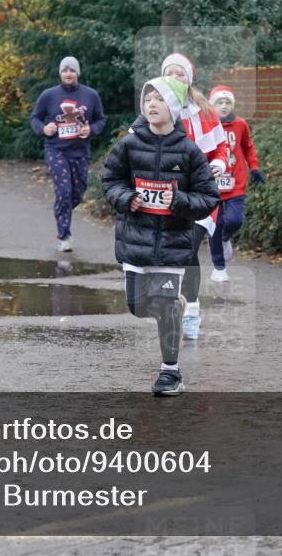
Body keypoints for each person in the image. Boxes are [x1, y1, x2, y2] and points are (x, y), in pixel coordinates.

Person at [103, 76, 220, 395]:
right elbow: (110, 180)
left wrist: (180, 202)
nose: (151, 104)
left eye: (159, 98)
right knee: (137, 307)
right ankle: (174, 310)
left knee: (166, 305)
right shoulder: (128, 145)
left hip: (171, 244)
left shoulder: (190, 152)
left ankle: (171, 372)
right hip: (135, 242)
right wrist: (126, 198)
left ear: (172, 107)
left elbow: (209, 197)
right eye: (147, 98)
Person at [159, 52, 229, 340]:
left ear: (189, 79)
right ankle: (174, 302)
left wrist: (218, 164)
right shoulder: (155, 108)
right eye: (170, 73)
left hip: (200, 192)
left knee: (189, 247)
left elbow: (221, 148)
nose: (175, 78)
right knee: (173, 250)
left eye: (180, 74)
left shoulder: (205, 110)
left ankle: (191, 310)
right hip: (166, 193)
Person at [29, 56, 106, 252]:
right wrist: (44, 129)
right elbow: (35, 118)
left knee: (77, 193)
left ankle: (61, 210)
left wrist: (91, 130)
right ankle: (64, 235)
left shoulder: (90, 95)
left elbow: (100, 120)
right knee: (63, 192)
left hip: (80, 150)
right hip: (56, 149)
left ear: (77, 73)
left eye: (72, 70)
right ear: (60, 73)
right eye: (65, 70)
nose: (68, 74)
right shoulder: (49, 95)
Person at [206, 85, 265, 281]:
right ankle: (219, 268)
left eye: (227, 103)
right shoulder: (207, 126)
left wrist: (254, 168)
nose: (224, 106)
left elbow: (248, 147)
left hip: (235, 182)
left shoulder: (240, 125)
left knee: (234, 220)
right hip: (212, 184)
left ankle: (225, 237)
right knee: (216, 223)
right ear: (212, 106)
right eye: (219, 103)